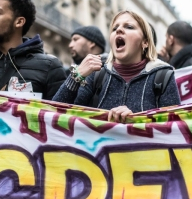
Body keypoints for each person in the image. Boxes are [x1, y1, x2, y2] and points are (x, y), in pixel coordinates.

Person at [52, 10, 181, 122]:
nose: (119, 30)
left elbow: (174, 128)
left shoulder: (163, 76)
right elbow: (54, 115)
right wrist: (75, 76)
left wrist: (136, 119)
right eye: (114, 28)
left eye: (129, 27)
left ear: (145, 42)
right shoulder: (97, 73)